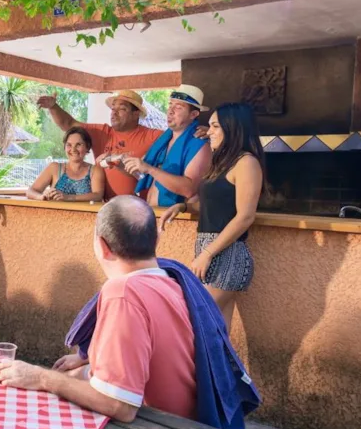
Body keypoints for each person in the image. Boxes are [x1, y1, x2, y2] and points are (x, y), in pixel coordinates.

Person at [0, 196, 198, 423]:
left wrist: (41, 377)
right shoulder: (170, 280)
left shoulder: (123, 292)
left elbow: (119, 405)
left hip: (163, 428)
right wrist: (86, 361)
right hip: (188, 418)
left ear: (102, 246)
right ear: (157, 239)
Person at [160, 103, 266, 330]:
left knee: (194, 321)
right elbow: (213, 206)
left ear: (233, 127)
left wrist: (207, 254)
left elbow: (245, 216)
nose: (209, 132)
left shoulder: (247, 163)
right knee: (218, 332)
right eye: (210, 126)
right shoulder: (221, 162)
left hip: (228, 253)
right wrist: (184, 207)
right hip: (209, 250)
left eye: (215, 126)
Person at [38, 90, 164, 199]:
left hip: (141, 207)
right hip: (107, 206)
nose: (114, 112)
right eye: (113, 108)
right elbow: (69, 124)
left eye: (122, 109)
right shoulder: (102, 132)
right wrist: (53, 107)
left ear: (136, 114)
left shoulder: (153, 136)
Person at [123, 86, 212, 207]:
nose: (170, 111)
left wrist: (150, 169)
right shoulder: (163, 141)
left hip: (176, 215)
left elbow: (189, 189)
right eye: (170, 105)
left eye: (178, 107)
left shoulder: (200, 144)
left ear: (193, 114)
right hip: (153, 211)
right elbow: (141, 171)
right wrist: (121, 163)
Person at [26, 127, 104, 202]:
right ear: (64, 147)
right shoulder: (54, 168)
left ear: (87, 147)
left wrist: (68, 197)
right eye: (69, 145)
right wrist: (42, 197)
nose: (73, 149)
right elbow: (31, 191)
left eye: (78, 144)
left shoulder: (95, 170)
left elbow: (97, 196)